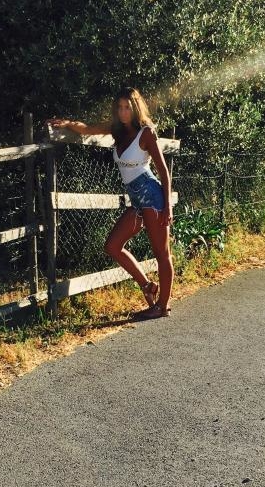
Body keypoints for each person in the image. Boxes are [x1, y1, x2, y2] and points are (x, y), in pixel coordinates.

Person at [50, 86, 174, 318]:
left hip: (152, 198)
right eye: (120, 108)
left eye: (127, 107)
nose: (123, 112)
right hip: (137, 201)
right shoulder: (117, 130)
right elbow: (87, 129)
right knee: (112, 246)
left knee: (162, 254)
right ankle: (147, 286)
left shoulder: (146, 133)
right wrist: (66, 124)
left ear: (136, 108)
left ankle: (162, 306)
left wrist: (167, 207)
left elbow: (164, 172)